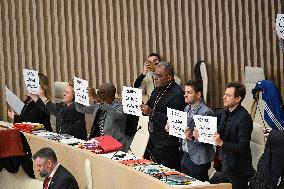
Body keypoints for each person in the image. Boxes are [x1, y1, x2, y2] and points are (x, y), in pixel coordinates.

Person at [141, 61, 186, 170]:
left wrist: (151, 113)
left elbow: (174, 122)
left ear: (169, 77)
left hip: (168, 145)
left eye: (159, 76)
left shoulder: (177, 95)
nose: (155, 78)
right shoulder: (157, 89)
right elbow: (150, 105)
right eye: (154, 75)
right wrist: (141, 107)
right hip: (154, 139)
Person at [213, 82, 254, 189]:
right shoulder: (224, 113)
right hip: (223, 165)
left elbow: (243, 147)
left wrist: (222, 143)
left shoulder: (244, 118)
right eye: (225, 94)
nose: (224, 97)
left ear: (237, 99)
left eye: (228, 95)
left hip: (237, 170)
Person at [173, 80, 215, 181]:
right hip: (186, 154)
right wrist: (174, 128)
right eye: (185, 92)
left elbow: (208, 140)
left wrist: (192, 136)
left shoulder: (206, 112)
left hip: (198, 158)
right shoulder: (187, 108)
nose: (185, 95)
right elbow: (183, 132)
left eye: (189, 92)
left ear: (198, 94)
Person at [75, 82, 129, 151]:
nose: (97, 94)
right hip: (99, 142)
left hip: (115, 145)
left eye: (98, 92)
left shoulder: (120, 107)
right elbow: (81, 108)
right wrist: (78, 93)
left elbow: (115, 113)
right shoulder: (98, 105)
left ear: (106, 93)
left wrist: (98, 100)